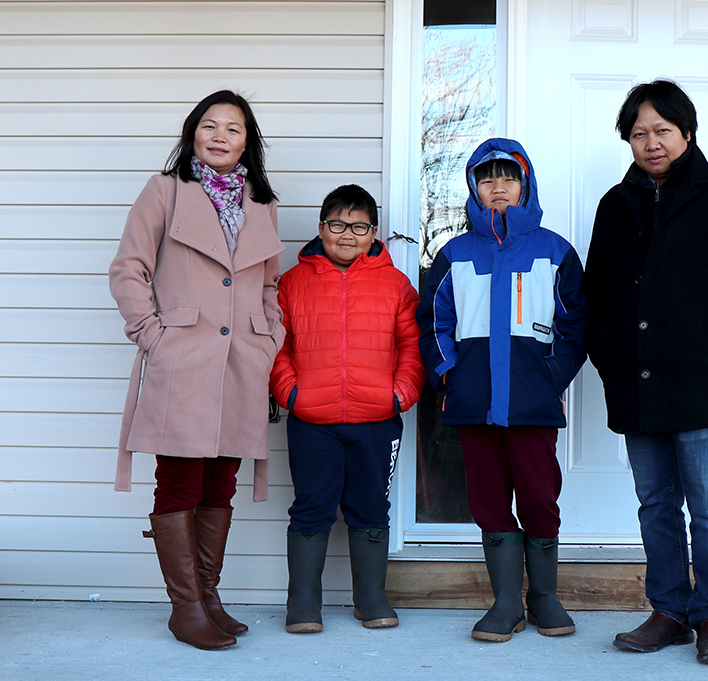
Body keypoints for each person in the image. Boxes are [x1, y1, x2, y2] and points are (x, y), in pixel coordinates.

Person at [583, 80, 708, 665]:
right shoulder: (615, 205)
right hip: (637, 386)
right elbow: (598, 295)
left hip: (702, 383)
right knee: (656, 505)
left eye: (661, 130)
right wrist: (610, 357)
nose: (651, 143)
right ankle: (668, 610)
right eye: (639, 133)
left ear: (685, 132)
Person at [109, 90, 285, 650]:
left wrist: (269, 339)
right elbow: (128, 269)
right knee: (180, 481)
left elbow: (271, 285)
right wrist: (153, 336)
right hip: (181, 359)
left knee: (221, 482)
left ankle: (208, 596)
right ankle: (185, 607)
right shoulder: (164, 191)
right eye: (208, 125)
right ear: (192, 134)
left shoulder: (262, 204)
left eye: (232, 129)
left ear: (246, 143)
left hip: (241, 364)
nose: (219, 136)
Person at [417, 138, 586, 642]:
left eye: (507, 178)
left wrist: (551, 376)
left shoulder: (554, 251)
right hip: (473, 402)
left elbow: (575, 324)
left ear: (525, 185)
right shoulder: (454, 253)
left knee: (539, 496)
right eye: (486, 179)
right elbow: (432, 322)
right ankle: (506, 602)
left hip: (533, 402)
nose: (497, 187)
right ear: (473, 187)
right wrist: (449, 372)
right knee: (488, 500)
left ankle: (545, 597)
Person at [269, 184, 425, 634]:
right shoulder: (293, 283)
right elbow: (277, 346)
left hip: (376, 419)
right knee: (311, 508)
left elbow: (411, 345)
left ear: (373, 232)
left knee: (371, 507)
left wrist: (400, 393)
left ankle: (370, 598)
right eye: (337, 225)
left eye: (359, 226)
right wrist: (290, 393)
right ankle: (302, 603)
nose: (347, 235)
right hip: (311, 420)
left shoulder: (395, 284)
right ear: (321, 229)